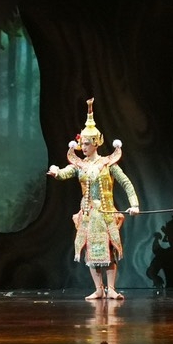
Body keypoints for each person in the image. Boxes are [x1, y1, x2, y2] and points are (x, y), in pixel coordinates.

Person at [48, 98, 140, 300]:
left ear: (96, 143)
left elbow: (126, 183)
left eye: (87, 143)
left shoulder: (108, 163)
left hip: (105, 212)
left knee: (109, 249)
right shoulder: (79, 165)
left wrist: (134, 204)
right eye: (82, 143)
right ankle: (98, 289)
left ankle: (111, 289)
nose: (83, 147)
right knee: (91, 250)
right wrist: (56, 172)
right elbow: (64, 173)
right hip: (88, 214)